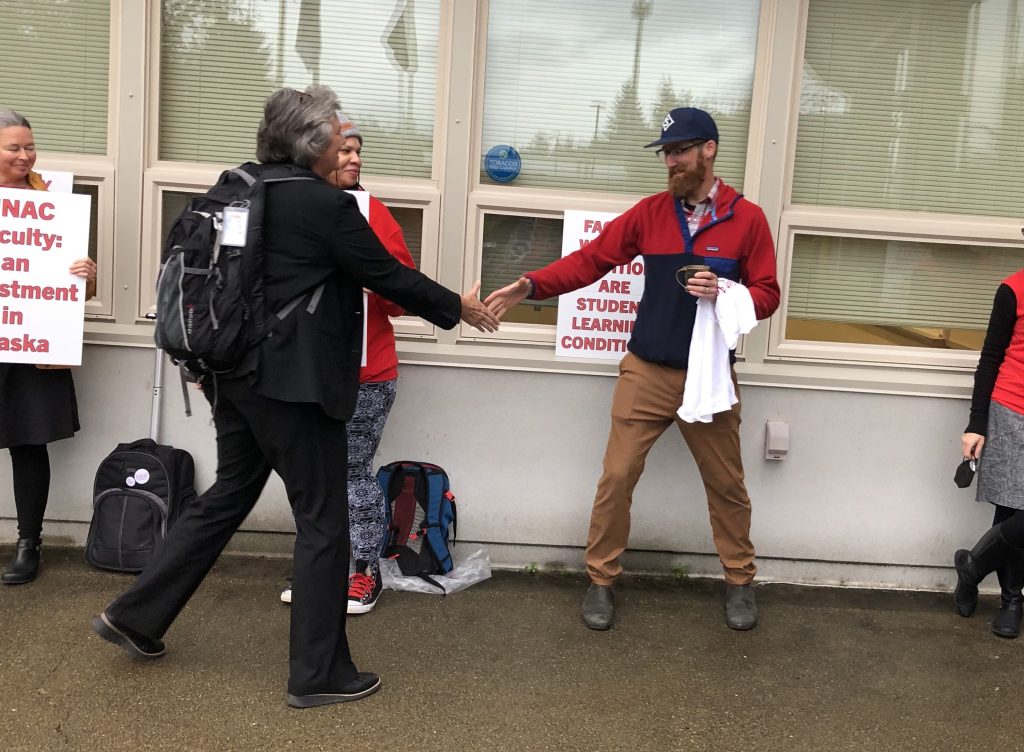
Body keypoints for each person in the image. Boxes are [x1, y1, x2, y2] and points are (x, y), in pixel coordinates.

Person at [90, 85, 499, 709]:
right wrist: (458, 307)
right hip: (292, 388)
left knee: (228, 495)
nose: (343, 149)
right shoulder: (323, 205)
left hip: (229, 376)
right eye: (338, 138)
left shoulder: (236, 188)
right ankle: (318, 674)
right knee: (324, 520)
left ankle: (136, 614)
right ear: (311, 144)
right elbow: (385, 274)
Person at [485, 108, 779, 632]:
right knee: (617, 476)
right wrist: (530, 285)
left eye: (680, 151)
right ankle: (600, 581)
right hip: (646, 370)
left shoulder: (747, 219)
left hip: (708, 376)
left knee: (726, 485)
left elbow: (768, 295)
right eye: (666, 153)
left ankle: (739, 582)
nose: (671, 161)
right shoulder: (649, 214)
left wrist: (727, 290)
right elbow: (590, 260)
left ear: (709, 149)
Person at [278, 113, 412, 614]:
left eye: (358, 151)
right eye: (343, 150)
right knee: (312, 475)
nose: (354, 159)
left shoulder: (374, 214)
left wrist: (370, 271)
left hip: (365, 373)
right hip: (304, 370)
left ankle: (363, 572)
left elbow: (402, 299)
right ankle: (322, 571)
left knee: (352, 470)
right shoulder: (291, 206)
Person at [0, 108, 97, 585]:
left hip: (31, 340)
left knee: (27, 441)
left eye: (29, 146)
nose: (24, 155)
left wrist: (85, 276)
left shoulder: (52, 196)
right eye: (13, 147)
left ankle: (28, 542)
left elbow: (73, 286)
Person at [953, 271, 1024, 639]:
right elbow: (991, 357)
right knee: (1011, 507)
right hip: (1012, 409)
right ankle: (1012, 601)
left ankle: (971, 569)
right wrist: (976, 422)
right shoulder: (1013, 289)